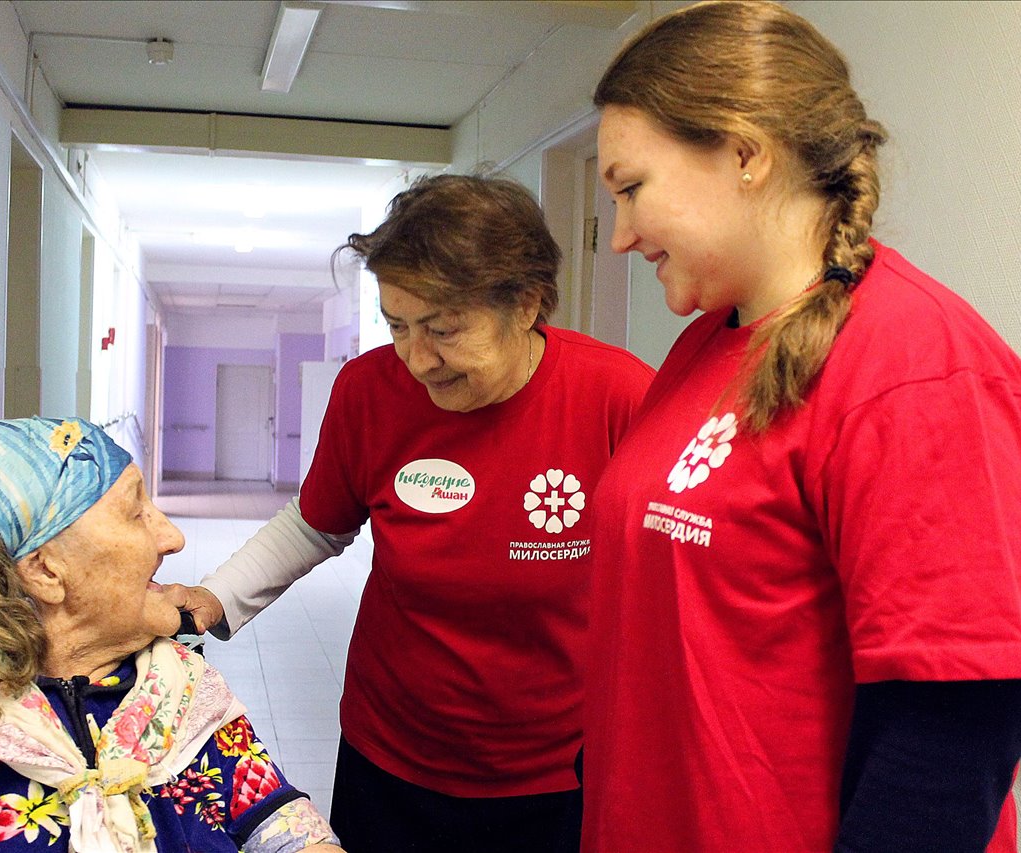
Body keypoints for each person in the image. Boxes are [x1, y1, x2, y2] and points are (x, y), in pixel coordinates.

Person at [581, 2, 1021, 851]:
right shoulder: (703, 349)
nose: (618, 237)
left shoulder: (916, 367)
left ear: (745, 153)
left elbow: (952, 731)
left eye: (631, 189)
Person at [168, 174, 656, 852]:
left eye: (444, 329)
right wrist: (212, 598)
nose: (417, 358)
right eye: (398, 325)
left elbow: (662, 582)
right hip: (391, 753)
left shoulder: (618, 397)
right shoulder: (370, 391)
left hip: (553, 770)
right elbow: (317, 522)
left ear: (528, 304)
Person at [0, 417, 344, 853]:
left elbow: (275, 819)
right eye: (136, 513)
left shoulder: (179, 690)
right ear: (47, 571)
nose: (173, 537)